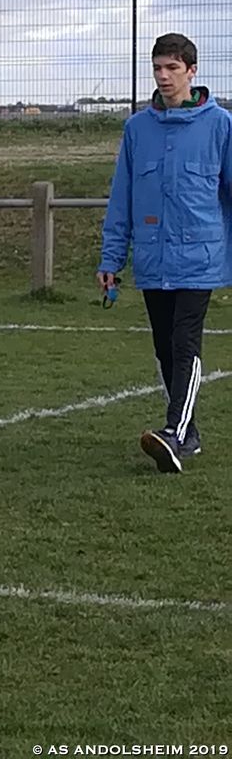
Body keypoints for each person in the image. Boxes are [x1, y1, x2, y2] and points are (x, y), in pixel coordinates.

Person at [98, 32, 232, 474]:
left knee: (184, 342)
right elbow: (122, 198)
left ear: (192, 71)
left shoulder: (221, 126)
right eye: (157, 68)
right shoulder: (137, 129)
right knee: (164, 347)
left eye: (172, 68)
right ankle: (188, 435)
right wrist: (111, 259)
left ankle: (175, 432)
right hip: (153, 260)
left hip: (199, 261)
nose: (163, 76)